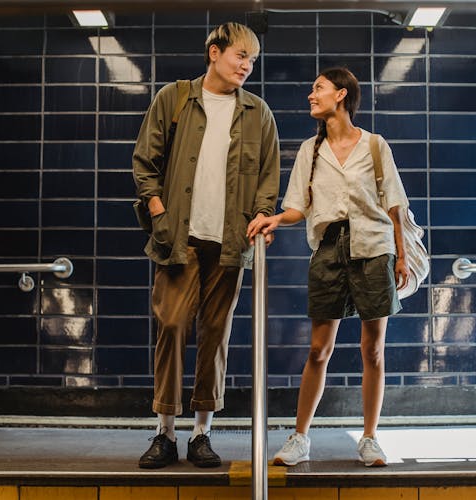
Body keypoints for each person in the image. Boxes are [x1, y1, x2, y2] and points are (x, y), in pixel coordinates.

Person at [132, 22, 280, 469]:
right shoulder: (174, 98)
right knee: (172, 327)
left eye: (252, 60)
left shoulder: (258, 112)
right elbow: (144, 162)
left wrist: (261, 216)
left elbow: (268, 180)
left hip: (231, 242)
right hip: (180, 237)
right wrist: (158, 211)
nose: (246, 66)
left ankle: (201, 432)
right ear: (213, 53)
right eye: (240, 55)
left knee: (215, 335)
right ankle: (164, 433)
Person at [247, 67, 409, 467]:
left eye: (317, 88)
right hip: (328, 249)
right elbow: (298, 207)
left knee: (372, 349)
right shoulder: (310, 150)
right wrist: (274, 220)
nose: (310, 95)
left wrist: (401, 255)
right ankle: (300, 437)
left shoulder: (374, 145)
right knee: (319, 349)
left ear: (341, 94)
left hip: (374, 248)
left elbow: (394, 205)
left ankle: (370, 438)